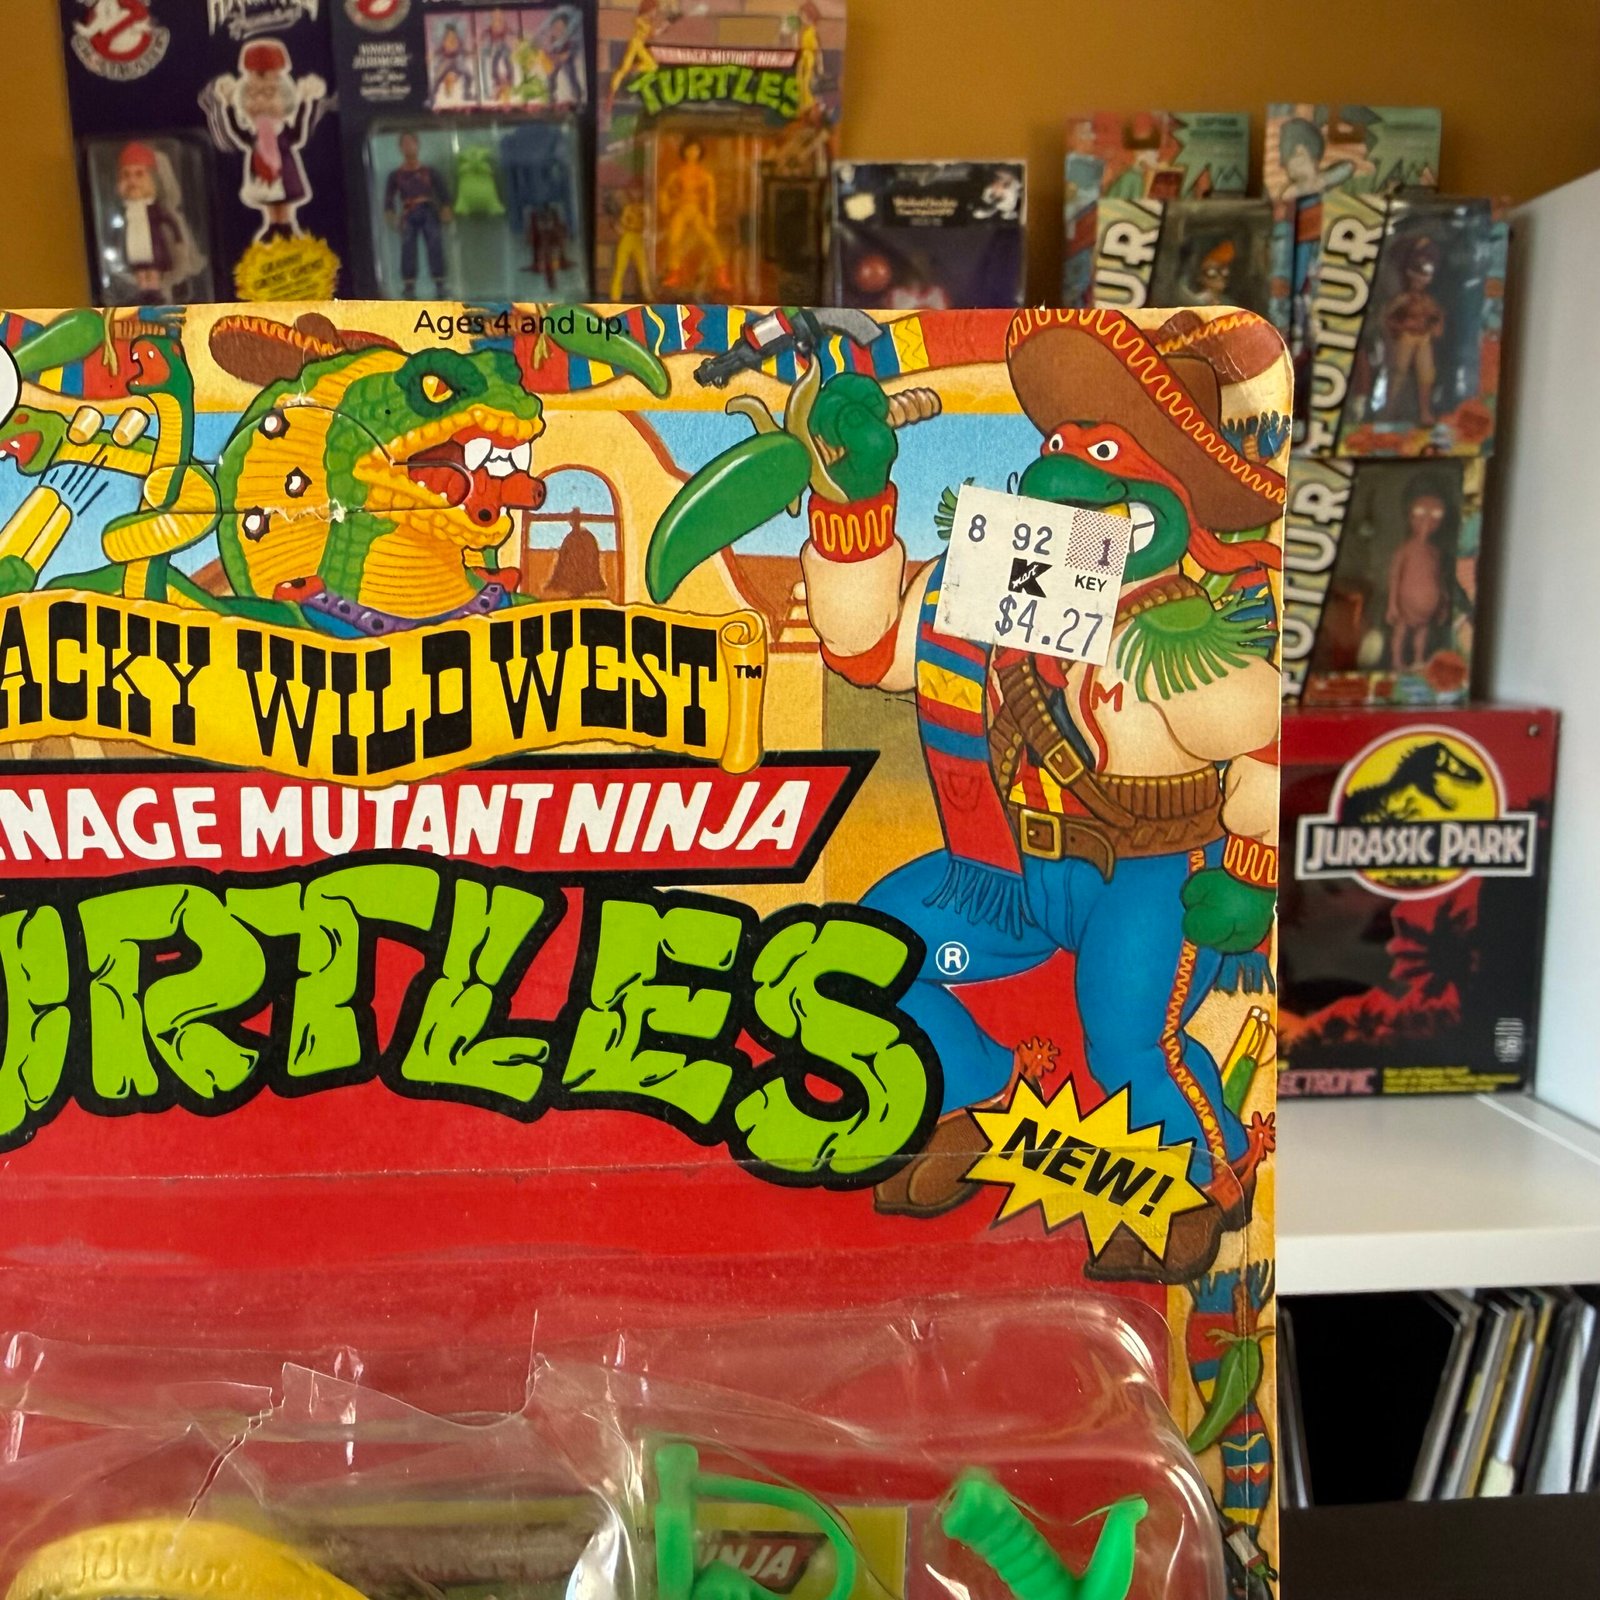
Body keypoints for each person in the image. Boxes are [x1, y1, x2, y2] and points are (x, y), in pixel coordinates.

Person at [1385, 476, 1453, 671]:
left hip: (1429, 610)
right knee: (1401, 631)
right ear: (1410, 516)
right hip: (1405, 607)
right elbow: (1395, 577)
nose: (1427, 521)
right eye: (1420, 514)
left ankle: (1418, 659)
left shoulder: (1435, 552)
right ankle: (1397, 660)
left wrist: (1444, 603)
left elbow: (1439, 578)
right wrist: (1392, 604)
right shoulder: (1405, 550)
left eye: (1436, 516)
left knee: (1422, 633)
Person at [1381, 235, 1446, 425]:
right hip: (1406, 337)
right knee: (1398, 372)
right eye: (1416, 277)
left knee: (1426, 375)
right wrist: (1398, 328)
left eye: (1423, 278)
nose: (1419, 282)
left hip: (1423, 338)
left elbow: (1437, 316)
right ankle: (1389, 410)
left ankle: (1425, 412)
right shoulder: (1403, 299)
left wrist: (1437, 326)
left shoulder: (1428, 301)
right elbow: (1386, 317)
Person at [383, 131, 452, 297]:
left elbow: (443, 191)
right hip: (408, 213)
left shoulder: (429, 171)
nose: (408, 147)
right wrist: (391, 215)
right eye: (405, 144)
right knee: (408, 248)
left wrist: (446, 208)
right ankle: (409, 286)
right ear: (400, 148)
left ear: (417, 145)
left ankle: (440, 283)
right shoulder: (396, 175)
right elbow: (389, 198)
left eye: (411, 143)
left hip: (428, 211)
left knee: (434, 245)